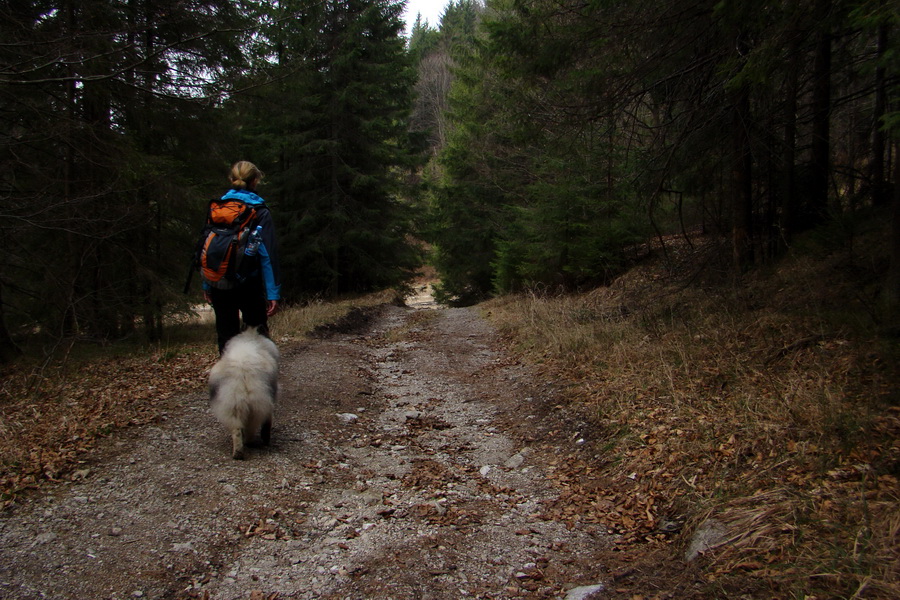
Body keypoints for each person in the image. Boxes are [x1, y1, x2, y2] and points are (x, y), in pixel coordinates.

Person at [203, 161, 282, 353]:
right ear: (255, 181)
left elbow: (206, 249)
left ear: (231, 179)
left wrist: (207, 284)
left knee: (226, 338)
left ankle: (228, 380)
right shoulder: (259, 210)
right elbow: (267, 255)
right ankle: (259, 380)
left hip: (219, 283)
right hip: (249, 282)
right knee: (257, 336)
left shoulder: (217, 208)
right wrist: (273, 293)